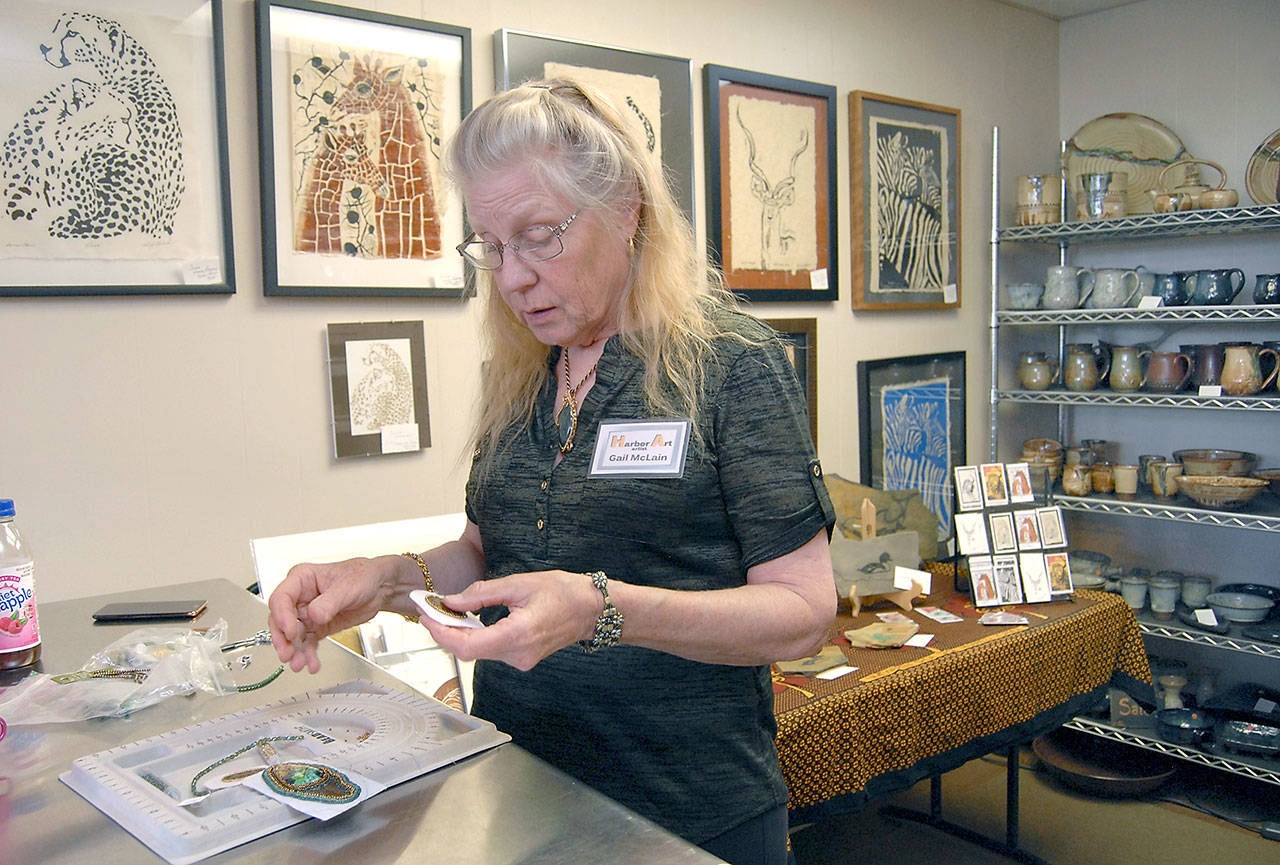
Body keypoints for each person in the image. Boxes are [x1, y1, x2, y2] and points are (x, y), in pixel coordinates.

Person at [268, 79, 837, 865]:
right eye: (491, 246)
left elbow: (805, 612)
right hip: (524, 793)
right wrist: (386, 579)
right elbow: (487, 552)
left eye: (539, 236)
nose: (512, 277)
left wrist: (601, 608)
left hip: (689, 817)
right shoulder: (525, 371)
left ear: (626, 208)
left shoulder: (732, 367)